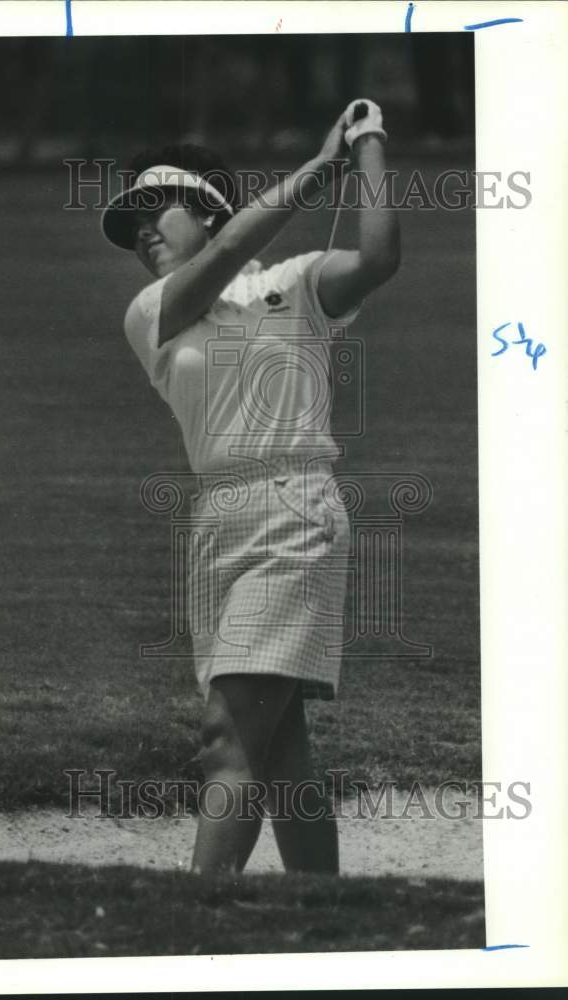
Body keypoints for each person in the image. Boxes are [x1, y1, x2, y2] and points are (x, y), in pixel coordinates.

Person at [101, 100, 399, 874]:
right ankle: (321, 907)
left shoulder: (296, 283)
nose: (141, 232)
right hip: (218, 524)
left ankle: (200, 911)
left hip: (296, 510)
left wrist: (366, 145)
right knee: (277, 749)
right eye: (131, 224)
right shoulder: (152, 311)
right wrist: (320, 166)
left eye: (154, 211)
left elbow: (378, 257)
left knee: (227, 736)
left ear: (207, 208)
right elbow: (236, 244)